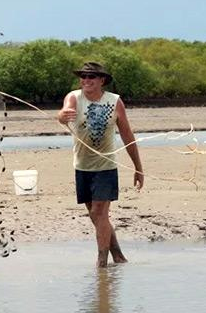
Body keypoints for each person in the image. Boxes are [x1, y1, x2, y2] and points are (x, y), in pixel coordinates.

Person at [57, 62, 144, 267]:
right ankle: (119, 257)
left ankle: (102, 263)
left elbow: (127, 135)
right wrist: (62, 116)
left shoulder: (114, 101)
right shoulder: (74, 97)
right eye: (84, 77)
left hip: (105, 167)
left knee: (99, 212)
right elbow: (63, 113)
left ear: (101, 80)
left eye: (91, 77)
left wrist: (138, 167)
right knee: (97, 216)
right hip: (82, 166)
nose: (86, 80)